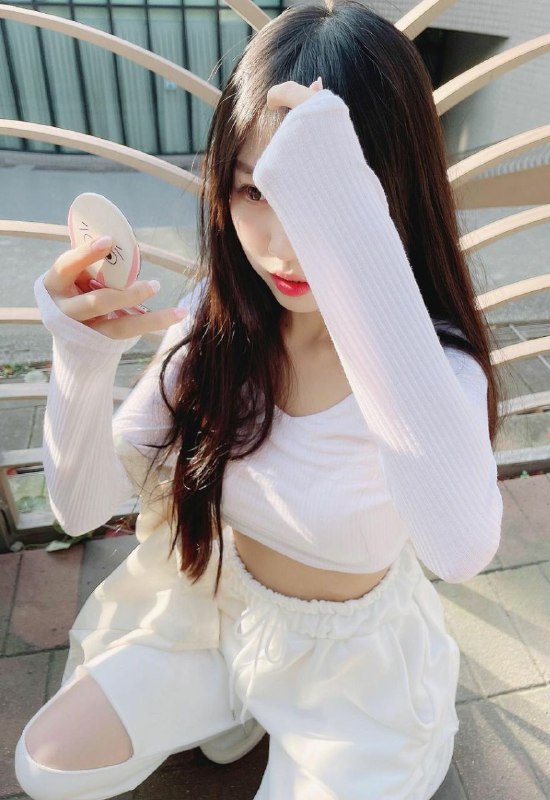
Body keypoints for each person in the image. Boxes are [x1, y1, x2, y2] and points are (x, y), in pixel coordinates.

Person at [14, 1, 505, 797]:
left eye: (316, 200)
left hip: (353, 674)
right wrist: (82, 354)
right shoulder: (220, 322)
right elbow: (81, 508)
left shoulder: (429, 368)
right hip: (215, 613)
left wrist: (353, 240)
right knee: (46, 765)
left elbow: (461, 550)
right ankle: (235, 703)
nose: (281, 246)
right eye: (252, 192)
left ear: (387, 196)